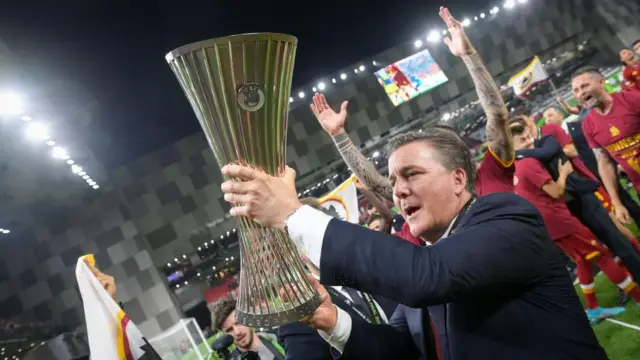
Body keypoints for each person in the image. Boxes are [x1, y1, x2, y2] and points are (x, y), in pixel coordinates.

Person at [510, 121, 640, 322]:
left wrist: (520, 153)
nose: (528, 142)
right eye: (522, 140)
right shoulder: (528, 161)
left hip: (570, 210)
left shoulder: (538, 147)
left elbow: (560, 150)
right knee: (601, 253)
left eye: (527, 136)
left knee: (600, 250)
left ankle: (603, 302)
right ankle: (630, 294)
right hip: (565, 213)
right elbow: (555, 188)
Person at [573, 66, 640, 226]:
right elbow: (605, 163)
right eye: (575, 90)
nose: (580, 93)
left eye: (584, 86)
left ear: (601, 82)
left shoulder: (631, 100)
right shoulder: (588, 125)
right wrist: (616, 202)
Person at [209, 299, 285, 360]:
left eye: (238, 323)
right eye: (229, 330)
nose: (237, 332)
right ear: (224, 334)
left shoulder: (278, 336)